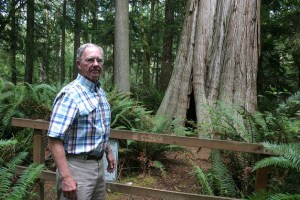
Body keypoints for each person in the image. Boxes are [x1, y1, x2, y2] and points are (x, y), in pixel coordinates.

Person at [48, 43, 116, 200]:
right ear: (79, 64)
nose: (96, 64)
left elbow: (99, 127)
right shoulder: (70, 94)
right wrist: (66, 177)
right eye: (90, 60)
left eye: (99, 60)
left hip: (99, 167)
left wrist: (108, 151)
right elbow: (54, 138)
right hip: (77, 168)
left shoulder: (100, 92)